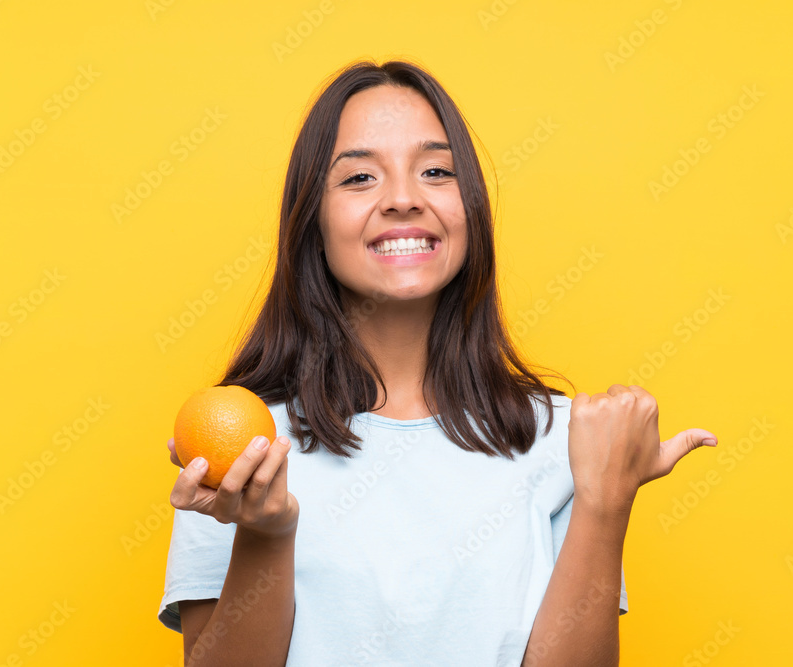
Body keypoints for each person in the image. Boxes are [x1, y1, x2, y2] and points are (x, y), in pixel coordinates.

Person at [158, 59, 717, 666]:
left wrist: (607, 500)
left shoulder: (562, 439)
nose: (403, 199)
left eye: (434, 171)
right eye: (359, 179)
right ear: (311, 222)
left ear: (470, 210)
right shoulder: (244, 446)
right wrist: (265, 534)